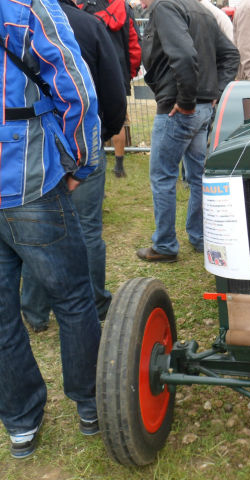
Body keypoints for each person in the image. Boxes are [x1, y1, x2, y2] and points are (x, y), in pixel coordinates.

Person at [0, 0, 102, 458]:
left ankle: (21, 423)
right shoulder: (26, 8)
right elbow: (75, 86)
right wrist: (81, 159)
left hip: (24, 173)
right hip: (29, 178)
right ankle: (92, 404)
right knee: (75, 298)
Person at [20, 0, 128, 332]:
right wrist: (106, 132)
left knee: (38, 232)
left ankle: (35, 312)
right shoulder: (88, 24)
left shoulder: (20, 22)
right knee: (87, 231)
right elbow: (113, 89)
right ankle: (94, 305)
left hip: (36, 143)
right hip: (80, 138)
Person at [136, 0, 239, 262]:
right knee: (197, 177)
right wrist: (212, 93)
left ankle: (165, 245)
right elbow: (229, 54)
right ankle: (200, 236)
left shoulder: (167, 7)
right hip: (198, 107)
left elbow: (185, 54)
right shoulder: (200, 9)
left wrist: (186, 101)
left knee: (163, 177)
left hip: (182, 108)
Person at [78, 0, 142, 178]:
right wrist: (131, 71)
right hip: (118, 72)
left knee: (92, 118)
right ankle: (119, 166)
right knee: (119, 118)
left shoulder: (84, 7)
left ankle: (95, 168)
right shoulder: (124, 8)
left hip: (92, 73)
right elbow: (134, 44)